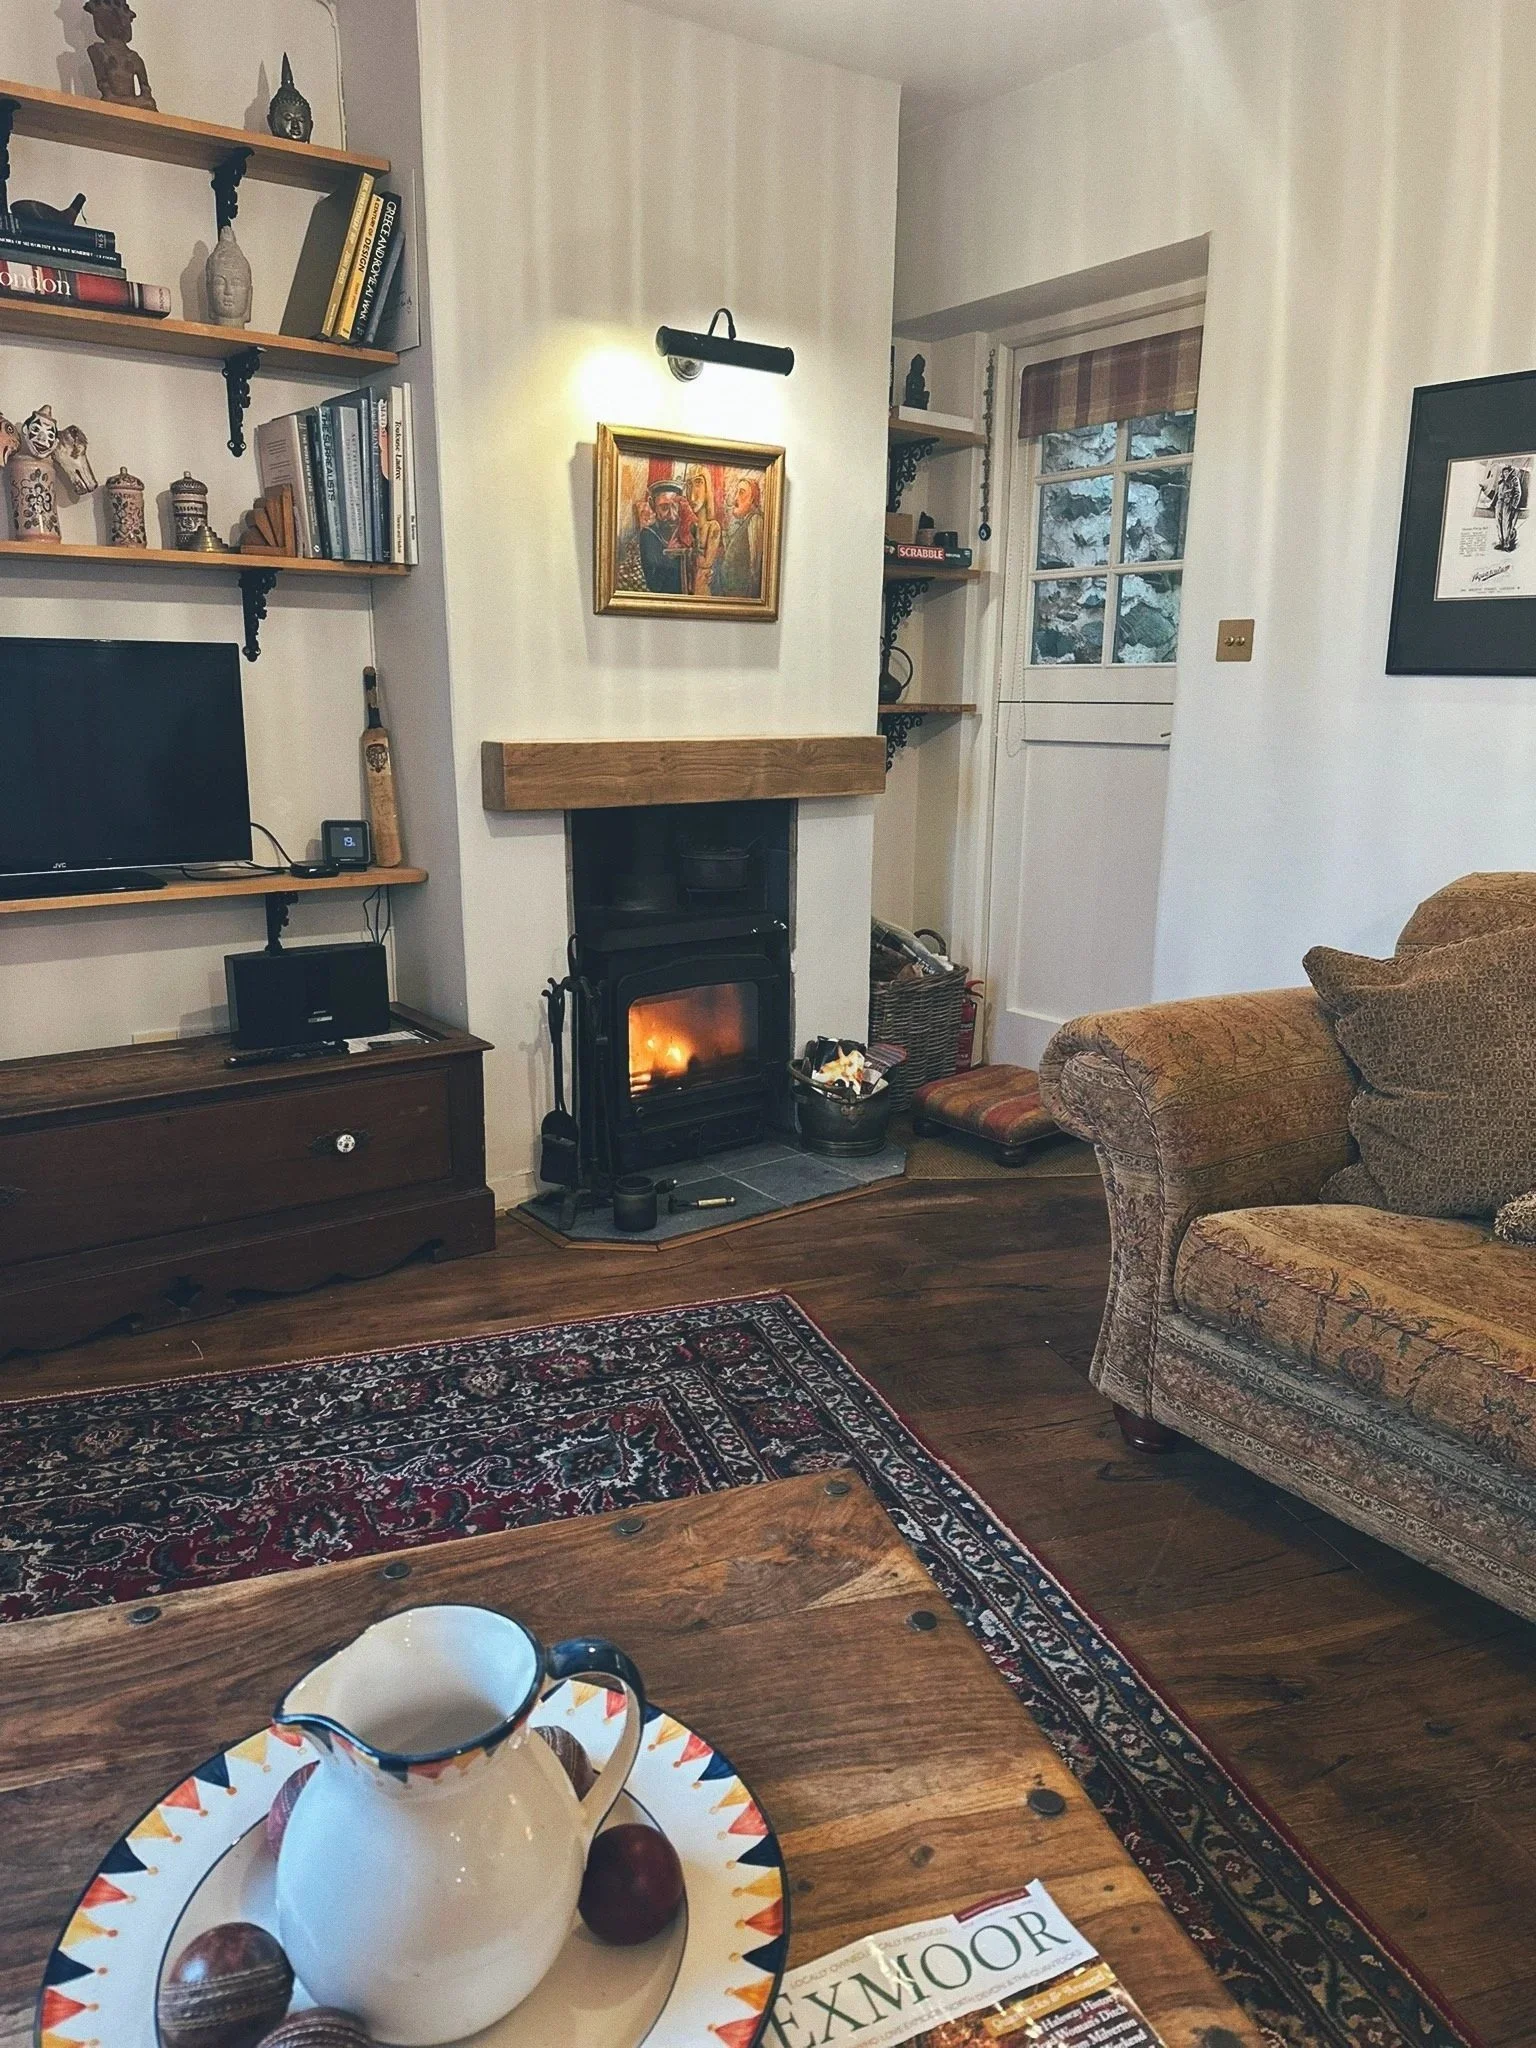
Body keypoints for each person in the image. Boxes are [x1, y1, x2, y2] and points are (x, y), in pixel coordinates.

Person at [712, 476, 765, 598]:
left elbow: (755, 569)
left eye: (741, 493)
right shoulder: (740, 524)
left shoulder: (756, 520)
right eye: (737, 492)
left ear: (752, 499)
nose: (736, 498)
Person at [638, 479, 688, 593]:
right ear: (653, 505)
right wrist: (668, 556)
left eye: (675, 507)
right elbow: (654, 585)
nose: (673, 516)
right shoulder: (648, 536)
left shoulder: (685, 530)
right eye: (664, 508)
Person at [685, 468, 723, 595]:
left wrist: (690, 552)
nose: (692, 495)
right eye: (689, 485)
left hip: (702, 587)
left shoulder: (713, 527)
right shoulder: (692, 527)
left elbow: (706, 563)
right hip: (690, 586)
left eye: (698, 483)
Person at [1492, 462, 1524, 553]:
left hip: (1508, 504)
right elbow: (1497, 493)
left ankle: (1507, 544)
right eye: (1504, 472)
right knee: (1499, 523)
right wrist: (1493, 503)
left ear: (1510, 472)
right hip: (1499, 503)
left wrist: (1514, 505)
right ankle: (1501, 542)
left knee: (1507, 524)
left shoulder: (1514, 479)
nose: (1505, 473)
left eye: (1507, 472)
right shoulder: (1501, 481)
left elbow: (1518, 493)